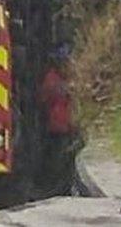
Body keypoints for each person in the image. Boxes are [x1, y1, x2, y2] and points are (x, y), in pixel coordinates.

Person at [38, 46, 79, 195]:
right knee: (60, 160)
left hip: (64, 126)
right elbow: (50, 95)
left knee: (65, 158)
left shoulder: (58, 78)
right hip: (58, 127)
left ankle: (62, 188)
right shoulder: (53, 79)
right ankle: (57, 189)